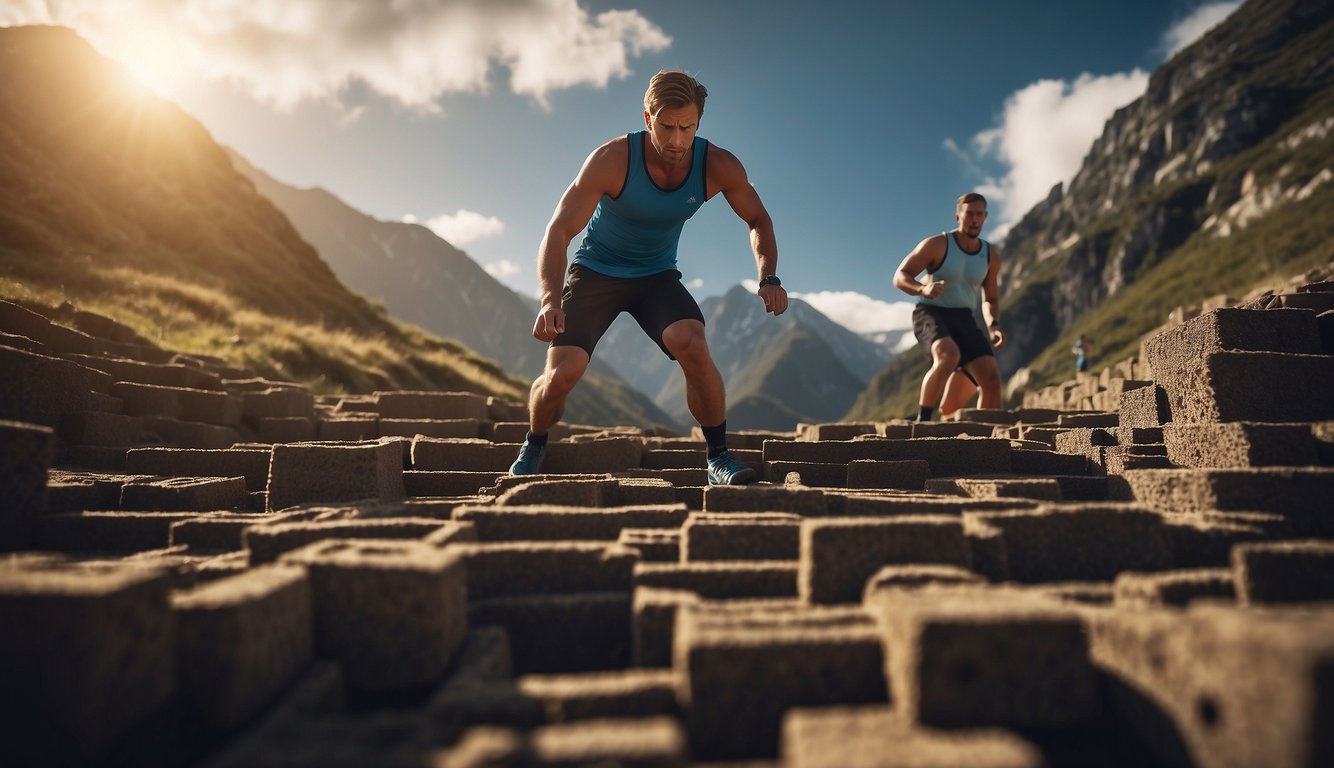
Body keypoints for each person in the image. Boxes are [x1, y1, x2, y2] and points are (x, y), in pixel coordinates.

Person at [509, 69, 788, 485]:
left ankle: (718, 457)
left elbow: (758, 218)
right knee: (561, 375)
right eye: (667, 127)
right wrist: (550, 300)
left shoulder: (718, 166)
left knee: (692, 342)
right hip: (595, 272)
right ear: (647, 119)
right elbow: (560, 230)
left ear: (698, 124)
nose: (677, 141)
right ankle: (534, 443)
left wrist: (769, 277)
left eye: (687, 128)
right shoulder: (612, 159)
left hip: (656, 276)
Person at [893, 192, 1005, 421]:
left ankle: (985, 445)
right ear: (958, 217)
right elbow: (900, 276)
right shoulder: (937, 245)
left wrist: (993, 325)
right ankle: (922, 422)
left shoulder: (990, 256)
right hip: (931, 312)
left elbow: (990, 298)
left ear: (985, 217)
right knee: (948, 355)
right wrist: (921, 289)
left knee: (992, 380)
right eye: (969, 214)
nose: (974, 219)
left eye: (979, 214)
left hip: (964, 318)